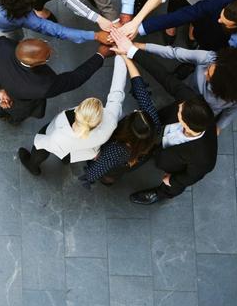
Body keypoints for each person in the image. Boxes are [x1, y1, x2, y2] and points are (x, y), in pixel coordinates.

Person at [108, 32, 219, 204]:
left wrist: (173, 181)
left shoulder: (205, 158)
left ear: (186, 125)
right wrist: (131, 51)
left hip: (167, 160)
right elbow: (164, 77)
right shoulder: (193, 101)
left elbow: (191, 176)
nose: (179, 105)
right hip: (156, 129)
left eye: (180, 111)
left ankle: (159, 194)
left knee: (171, 186)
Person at [114, 37, 237, 135]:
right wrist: (140, 47)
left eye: (210, 76)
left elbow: (228, 115)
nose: (205, 71)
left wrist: (217, 128)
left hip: (200, 112)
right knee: (165, 114)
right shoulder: (210, 58)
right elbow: (174, 53)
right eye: (209, 68)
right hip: (185, 90)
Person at [17, 55, 128, 175]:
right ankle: (65, 160)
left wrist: (121, 55)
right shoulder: (111, 119)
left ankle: (32, 165)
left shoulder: (58, 133)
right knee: (67, 155)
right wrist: (122, 55)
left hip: (60, 144)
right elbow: (117, 90)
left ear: (77, 110)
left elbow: (44, 143)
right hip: (83, 151)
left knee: (41, 144)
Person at [128, 0, 237, 73]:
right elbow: (184, 15)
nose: (219, 21)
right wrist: (139, 28)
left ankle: (191, 65)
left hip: (231, 60)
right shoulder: (222, 0)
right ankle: (190, 62)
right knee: (199, 50)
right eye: (221, 16)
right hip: (208, 37)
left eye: (225, 22)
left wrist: (228, 76)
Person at [0, 36, 109, 125]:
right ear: (35, 64)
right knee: (15, 117)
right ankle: (9, 119)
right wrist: (100, 55)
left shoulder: (0, 46)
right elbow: (75, 79)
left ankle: (1, 114)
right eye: (48, 56)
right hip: (19, 104)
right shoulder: (44, 85)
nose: (52, 52)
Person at [78, 54, 160, 188]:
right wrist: (126, 58)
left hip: (115, 163)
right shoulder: (153, 124)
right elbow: (141, 93)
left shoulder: (116, 149)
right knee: (116, 172)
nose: (137, 111)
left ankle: (107, 181)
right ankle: (109, 180)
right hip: (132, 162)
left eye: (134, 114)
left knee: (108, 173)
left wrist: (88, 177)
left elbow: (98, 168)